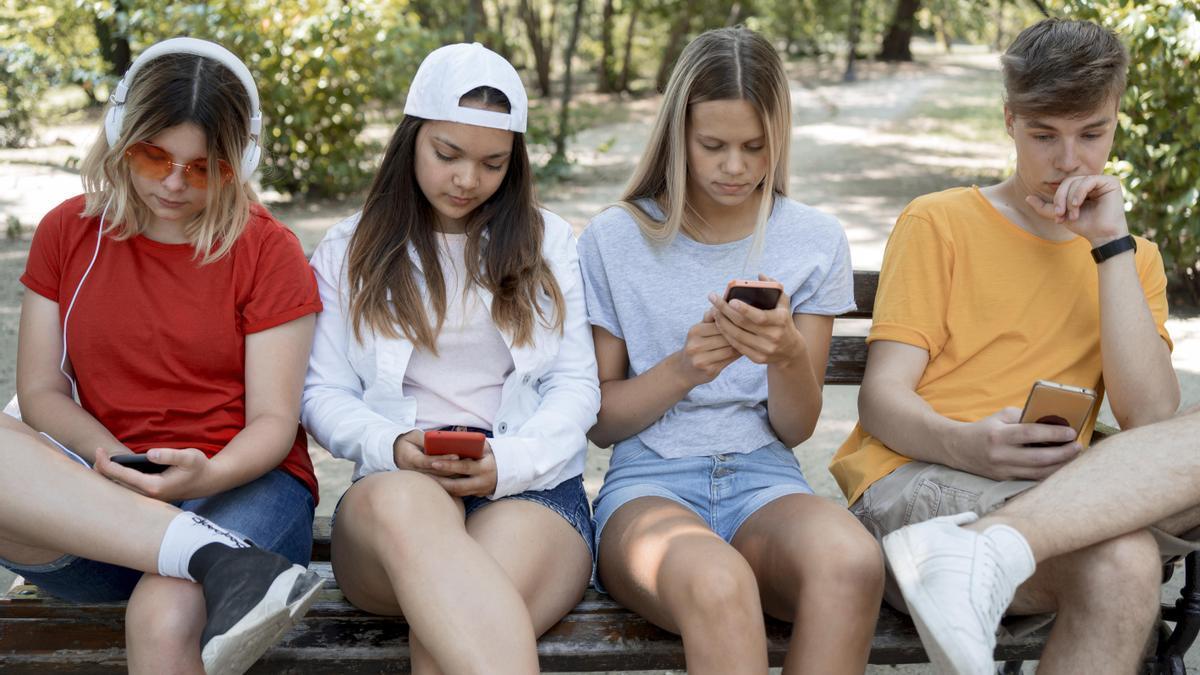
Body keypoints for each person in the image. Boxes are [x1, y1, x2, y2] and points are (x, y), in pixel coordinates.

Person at [830, 18, 1187, 675]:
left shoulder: (1132, 258)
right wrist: (967, 445)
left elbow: (1151, 420)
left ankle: (990, 548)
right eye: (1044, 135)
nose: (1069, 160)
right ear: (1009, 121)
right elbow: (881, 401)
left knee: (1128, 549)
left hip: (1055, 492)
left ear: (1116, 122)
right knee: (1125, 558)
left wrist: (1110, 247)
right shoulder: (940, 221)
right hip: (917, 478)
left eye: (1092, 134)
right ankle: (977, 549)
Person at [0, 38, 324, 674]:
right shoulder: (68, 231)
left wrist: (204, 477)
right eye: (154, 157)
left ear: (238, 164)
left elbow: (273, 423)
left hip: (242, 485)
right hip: (106, 496)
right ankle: (211, 557)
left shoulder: (268, 250)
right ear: (121, 136)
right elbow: (40, 392)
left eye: (204, 169)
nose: (174, 183)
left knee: (163, 612)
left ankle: (219, 558)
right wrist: (114, 463)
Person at [579, 27, 884, 675]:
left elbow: (796, 428)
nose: (736, 167)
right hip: (649, 486)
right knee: (719, 582)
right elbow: (602, 422)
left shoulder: (814, 239)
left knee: (854, 562)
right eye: (713, 146)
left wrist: (786, 355)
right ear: (677, 136)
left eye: (755, 146)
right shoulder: (615, 238)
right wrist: (686, 367)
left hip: (765, 481)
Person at [301, 43, 600, 674]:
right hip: (394, 493)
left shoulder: (547, 241)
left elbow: (576, 384)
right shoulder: (348, 249)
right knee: (413, 516)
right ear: (411, 139)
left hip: (529, 487)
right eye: (448, 154)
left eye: (493, 163)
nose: (467, 179)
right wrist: (391, 445)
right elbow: (322, 394)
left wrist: (508, 463)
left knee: (452, 631)